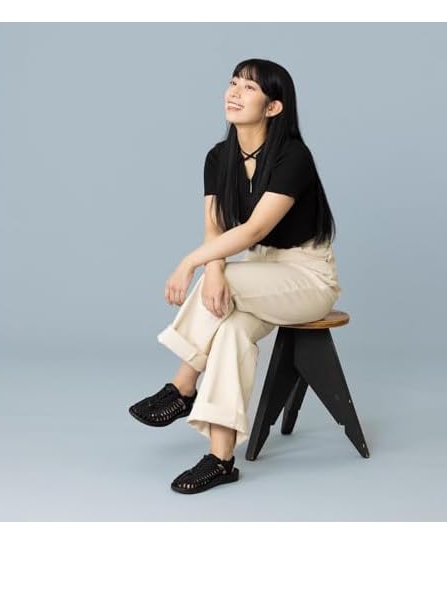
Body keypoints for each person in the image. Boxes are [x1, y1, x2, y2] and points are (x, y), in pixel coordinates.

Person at [128, 58, 342, 494]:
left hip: (307, 277)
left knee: (230, 284)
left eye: (249, 88)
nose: (234, 92)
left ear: (273, 107)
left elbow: (254, 229)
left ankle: (182, 385)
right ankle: (221, 459)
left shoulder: (293, 157)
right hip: (260, 271)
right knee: (230, 332)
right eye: (233, 83)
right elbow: (217, 228)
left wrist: (191, 263)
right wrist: (214, 269)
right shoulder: (218, 157)